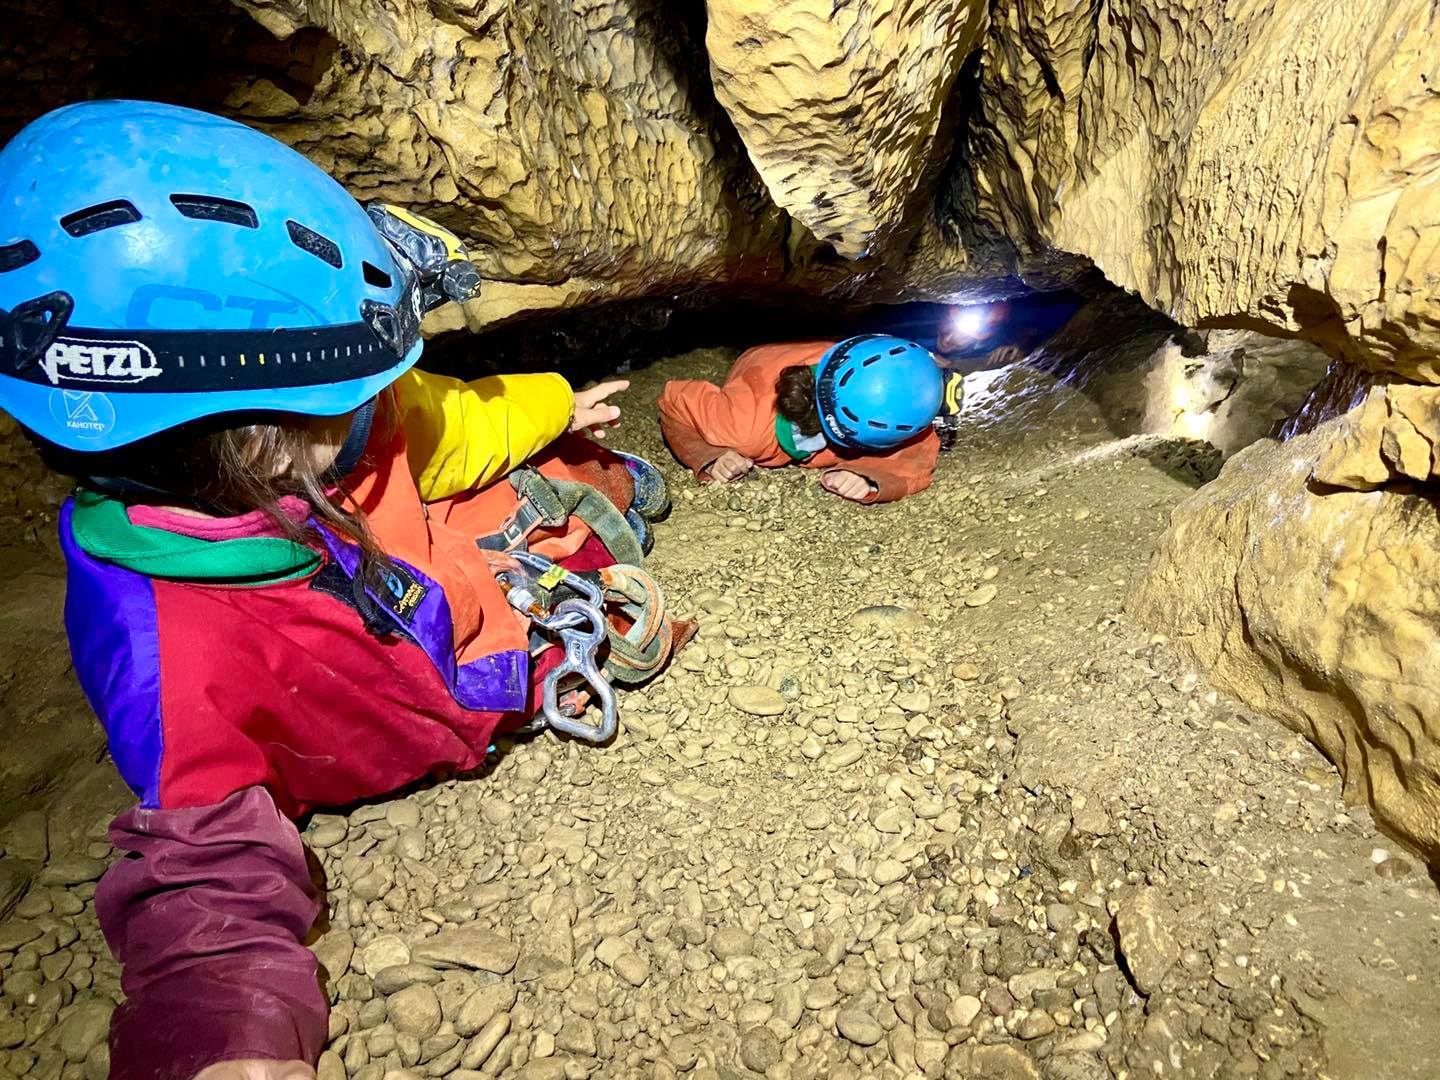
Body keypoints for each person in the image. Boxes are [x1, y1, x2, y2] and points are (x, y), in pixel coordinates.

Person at [0, 100, 687, 1080]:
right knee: (561, 525)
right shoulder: (159, 644)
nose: (381, 401)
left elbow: (447, 423)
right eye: (359, 393)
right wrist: (227, 1047)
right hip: (401, 709)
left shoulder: (329, 437)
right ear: (264, 442)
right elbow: (206, 885)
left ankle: (611, 470)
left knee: (563, 478)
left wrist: (554, 406)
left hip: (426, 599)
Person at [657, 335, 944, 504]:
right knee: (747, 438)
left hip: (829, 351)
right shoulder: (746, 425)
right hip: (761, 361)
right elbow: (674, 400)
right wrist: (710, 455)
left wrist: (867, 477)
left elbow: (918, 451)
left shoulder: (893, 396)